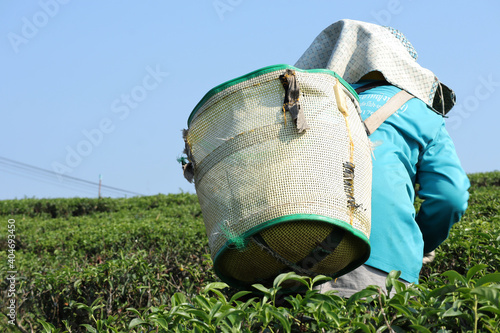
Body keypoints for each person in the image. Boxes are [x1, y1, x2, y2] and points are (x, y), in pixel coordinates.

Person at [294, 19, 470, 296]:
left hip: (289, 261)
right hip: (382, 264)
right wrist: (418, 244)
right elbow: (451, 197)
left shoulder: (308, 107)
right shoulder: (420, 112)